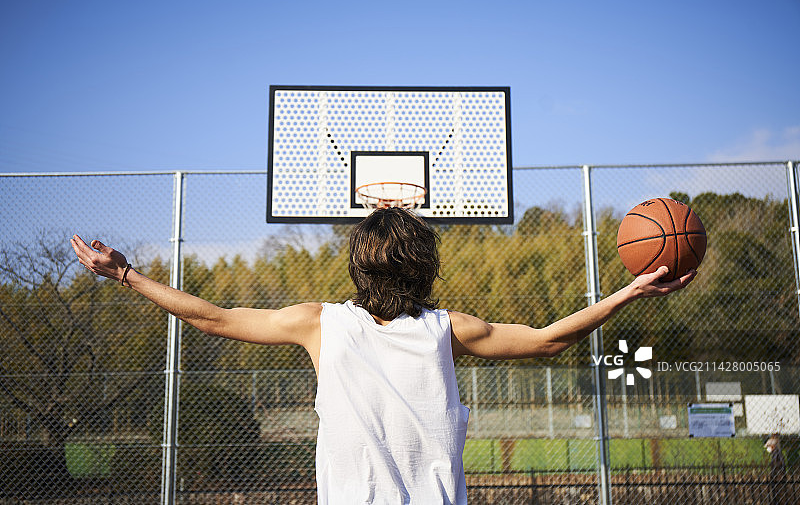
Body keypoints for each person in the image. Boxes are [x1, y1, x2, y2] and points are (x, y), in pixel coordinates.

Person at [71, 207, 695, 504]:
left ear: (356, 265)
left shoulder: (319, 325)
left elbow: (212, 318)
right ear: (426, 269)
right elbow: (551, 337)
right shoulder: (448, 330)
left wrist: (125, 273)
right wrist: (630, 289)